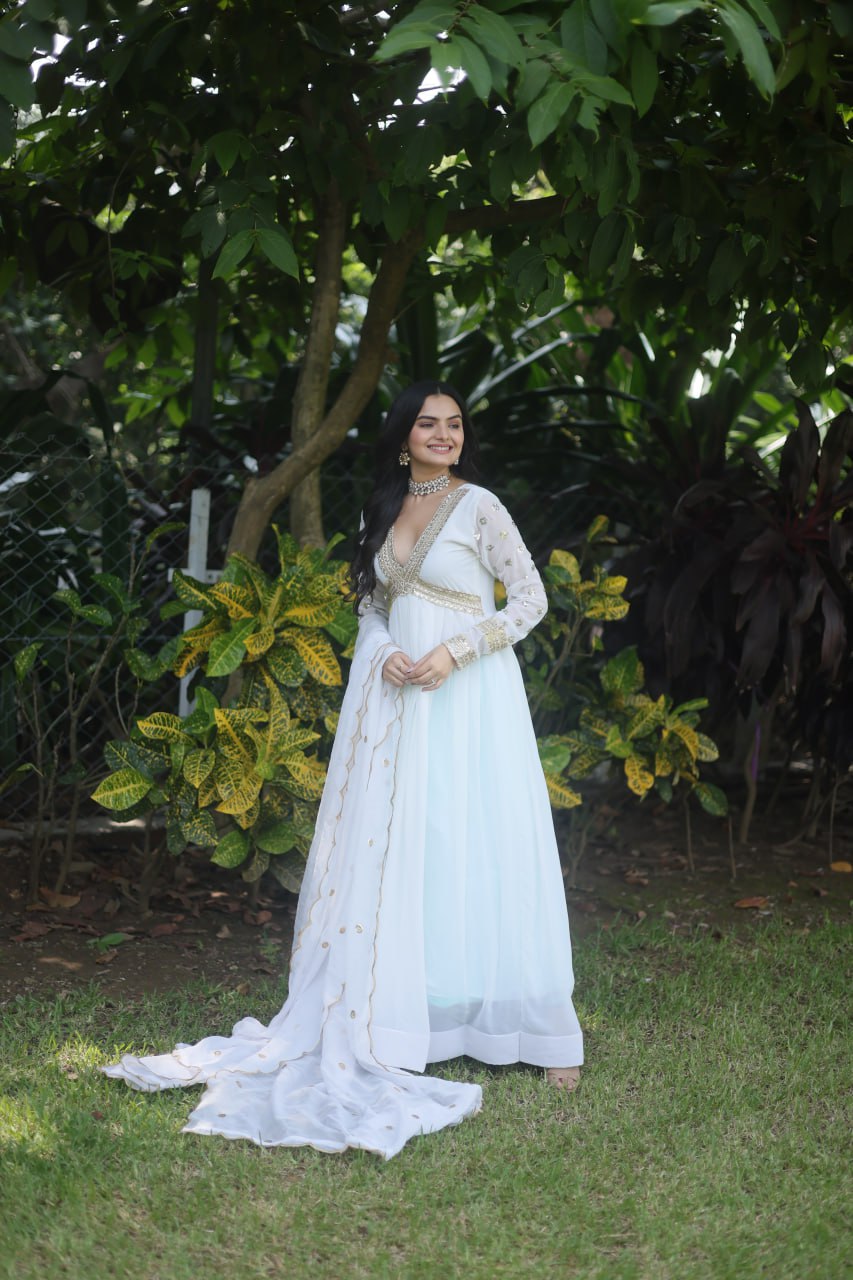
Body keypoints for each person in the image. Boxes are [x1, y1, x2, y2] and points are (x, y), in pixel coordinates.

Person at [101, 380, 583, 1159]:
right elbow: (369, 605)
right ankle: (411, 1015)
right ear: (402, 437)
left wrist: (452, 653)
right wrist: (388, 651)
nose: (444, 435)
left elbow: (528, 601)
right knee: (410, 849)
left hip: (469, 702)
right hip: (399, 704)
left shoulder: (480, 506)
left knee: (476, 840)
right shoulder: (384, 511)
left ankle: (530, 1025)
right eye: (428, 424)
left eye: (454, 425)